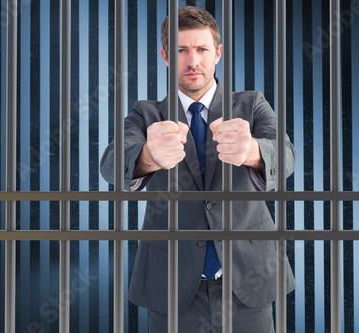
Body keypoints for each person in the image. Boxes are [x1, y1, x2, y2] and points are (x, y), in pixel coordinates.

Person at [100, 6, 296, 332]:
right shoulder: (146, 114)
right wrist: (149, 155)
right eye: (181, 50)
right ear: (165, 55)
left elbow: (286, 156)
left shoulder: (251, 105)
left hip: (248, 283)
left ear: (217, 53)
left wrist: (251, 151)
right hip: (171, 287)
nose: (193, 61)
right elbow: (110, 162)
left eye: (202, 49)